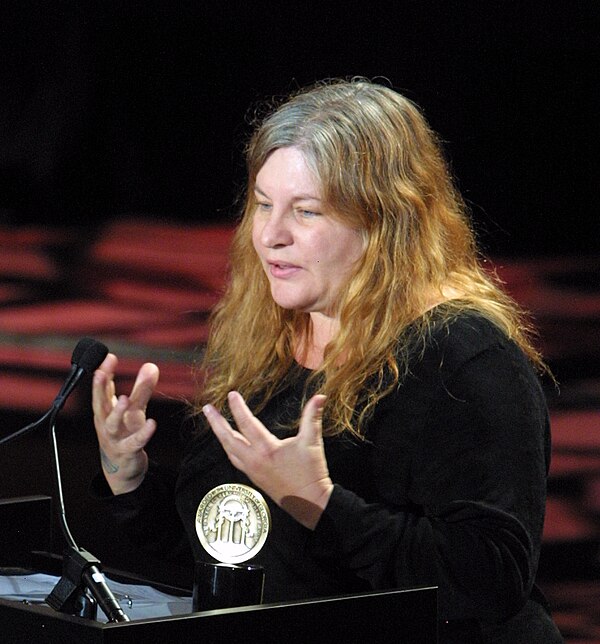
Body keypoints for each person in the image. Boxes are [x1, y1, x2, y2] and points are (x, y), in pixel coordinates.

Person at [91, 78, 564, 642]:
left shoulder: (467, 361)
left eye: (307, 212)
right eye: (263, 204)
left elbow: (488, 580)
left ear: (387, 222)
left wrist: (319, 502)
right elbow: (241, 561)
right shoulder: (270, 336)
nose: (270, 235)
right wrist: (129, 475)